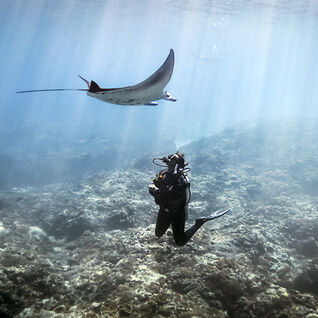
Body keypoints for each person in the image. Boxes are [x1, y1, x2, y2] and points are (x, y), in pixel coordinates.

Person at [149, 152, 229, 246]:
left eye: (173, 161)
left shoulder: (181, 180)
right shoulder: (164, 173)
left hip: (178, 213)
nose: (170, 163)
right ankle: (188, 224)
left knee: (180, 241)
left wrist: (157, 192)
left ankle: (199, 223)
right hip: (165, 210)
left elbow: (166, 189)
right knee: (158, 234)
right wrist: (155, 190)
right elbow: (157, 185)